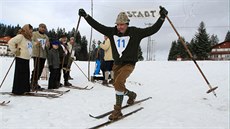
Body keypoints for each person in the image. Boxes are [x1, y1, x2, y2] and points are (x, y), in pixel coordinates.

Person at [79, 6, 168, 120]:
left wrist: (161, 18)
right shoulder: (111, 32)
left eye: (122, 24)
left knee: (119, 82)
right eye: (118, 24)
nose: (120, 27)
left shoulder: (135, 32)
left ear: (127, 24)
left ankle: (117, 111)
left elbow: (152, 30)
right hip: (117, 64)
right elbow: (97, 26)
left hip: (129, 64)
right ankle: (131, 94)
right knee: (116, 84)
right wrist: (86, 16)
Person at [8, 24, 33, 95]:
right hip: (20, 57)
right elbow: (11, 42)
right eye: (30, 29)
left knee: (25, 75)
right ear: (26, 29)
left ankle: (25, 89)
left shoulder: (28, 38)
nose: (31, 31)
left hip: (26, 58)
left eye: (31, 30)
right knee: (20, 75)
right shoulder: (21, 36)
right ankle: (18, 90)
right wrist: (15, 50)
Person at [31, 23, 50, 90]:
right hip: (36, 53)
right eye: (41, 27)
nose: (43, 29)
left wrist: (48, 45)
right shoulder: (34, 34)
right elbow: (30, 42)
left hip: (43, 55)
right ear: (39, 27)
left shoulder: (46, 37)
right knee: (36, 68)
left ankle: (36, 82)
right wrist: (36, 43)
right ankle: (33, 83)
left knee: (40, 69)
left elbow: (48, 46)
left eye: (44, 28)